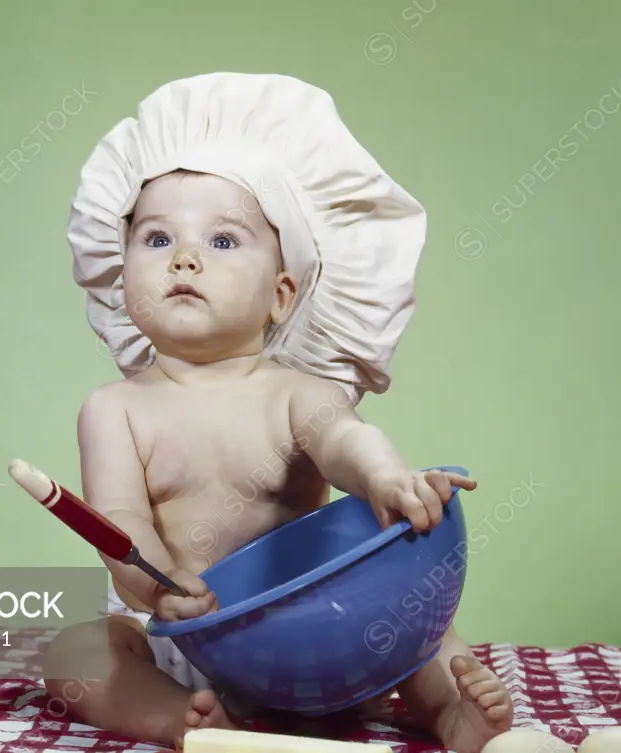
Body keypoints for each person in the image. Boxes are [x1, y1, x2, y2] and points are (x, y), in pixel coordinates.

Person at [45, 72, 513, 752]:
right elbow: (118, 519)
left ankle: (450, 713)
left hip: (318, 632)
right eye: (154, 239)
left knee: (422, 622)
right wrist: (149, 583)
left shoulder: (297, 392)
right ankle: (189, 722)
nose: (184, 257)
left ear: (283, 294)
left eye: (223, 241)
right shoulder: (114, 409)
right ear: (120, 277)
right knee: (78, 652)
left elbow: (347, 441)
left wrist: (388, 480)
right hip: (187, 637)